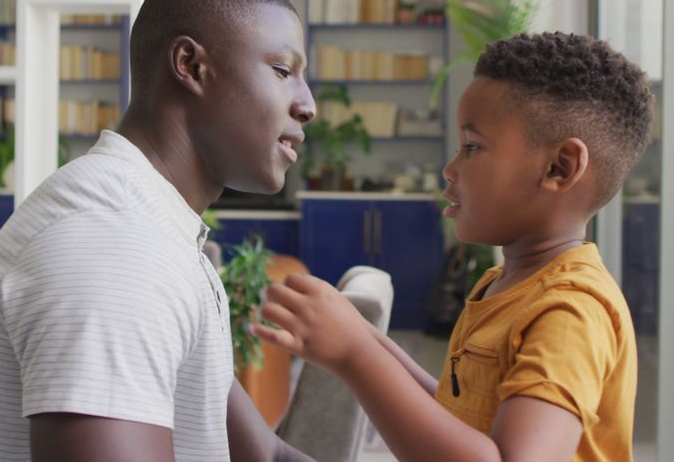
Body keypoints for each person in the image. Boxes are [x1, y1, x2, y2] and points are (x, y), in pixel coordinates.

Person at [0, 0, 316, 462]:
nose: (308, 105)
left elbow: (266, 454)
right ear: (190, 64)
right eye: (282, 71)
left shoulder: (151, 227)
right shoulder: (114, 243)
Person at [254, 32, 653, 461]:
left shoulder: (571, 312)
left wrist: (357, 354)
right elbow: (457, 416)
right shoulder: (501, 284)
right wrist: (363, 339)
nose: (450, 168)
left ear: (559, 167)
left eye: (473, 147)